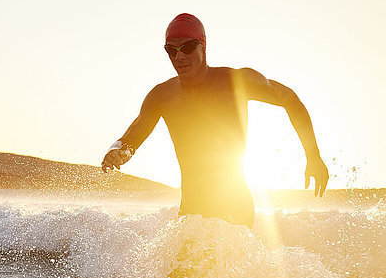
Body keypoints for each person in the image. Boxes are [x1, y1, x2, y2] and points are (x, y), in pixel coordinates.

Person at [101, 13, 329, 228]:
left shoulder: (235, 81)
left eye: (187, 47)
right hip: (191, 211)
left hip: (234, 208)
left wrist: (313, 156)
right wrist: (119, 150)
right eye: (171, 50)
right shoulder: (162, 96)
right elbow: (133, 137)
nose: (179, 56)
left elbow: (290, 100)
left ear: (203, 46)